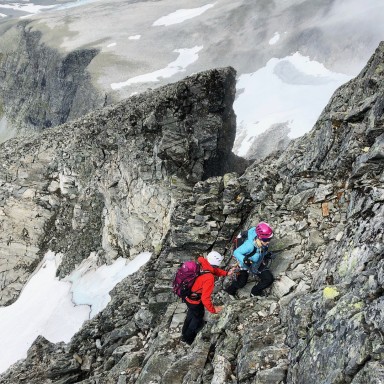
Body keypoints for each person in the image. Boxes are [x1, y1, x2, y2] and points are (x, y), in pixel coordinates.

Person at [181, 251, 232, 345]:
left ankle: (184, 333)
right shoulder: (209, 278)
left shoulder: (202, 262)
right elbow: (205, 298)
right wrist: (213, 310)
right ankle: (188, 339)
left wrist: (226, 273)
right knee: (198, 316)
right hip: (195, 301)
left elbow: (213, 270)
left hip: (187, 296)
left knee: (191, 313)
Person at [225, 222, 274, 298]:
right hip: (245, 264)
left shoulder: (262, 241)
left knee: (269, 279)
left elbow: (261, 249)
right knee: (241, 283)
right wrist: (245, 260)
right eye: (266, 239)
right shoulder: (249, 246)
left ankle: (255, 292)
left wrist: (265, 255)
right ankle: (230, 290)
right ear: (259, 237)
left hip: (256, 262)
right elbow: (236, 252)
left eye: (270, 238)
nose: (268, 241)